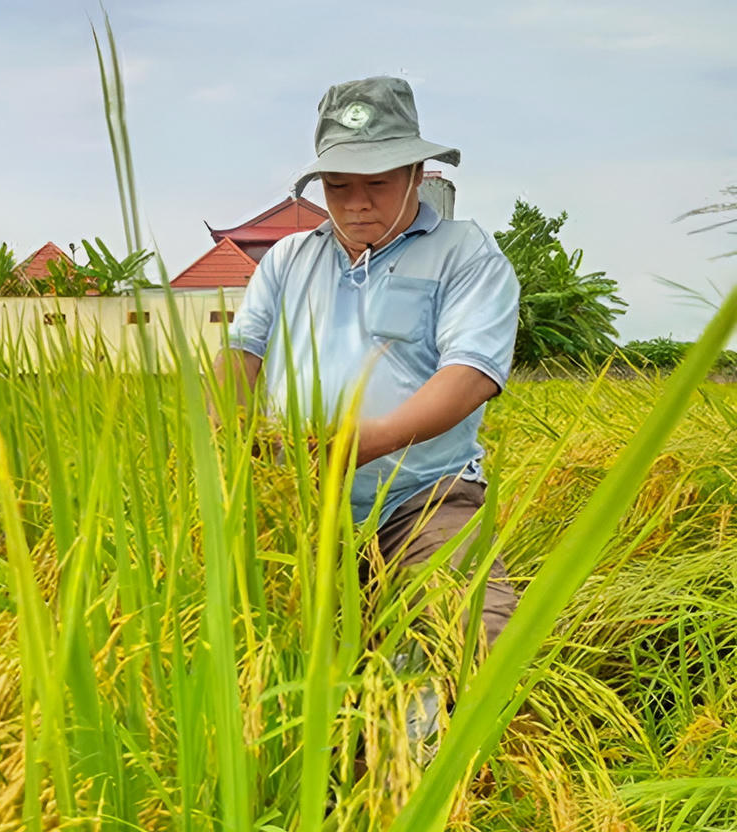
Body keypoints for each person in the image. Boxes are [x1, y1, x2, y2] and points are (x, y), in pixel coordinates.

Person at [213, 75, 520, 648]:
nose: (356, 203)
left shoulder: (463, 252)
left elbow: (471, 374)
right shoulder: (288, 258)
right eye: (338, 185)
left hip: (422, 498)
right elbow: (241, 351)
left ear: (416, 173)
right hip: (297, 498)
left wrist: (367, 442)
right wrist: (234, 427)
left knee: (480, 640)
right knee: (251, 637)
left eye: (377, 183)